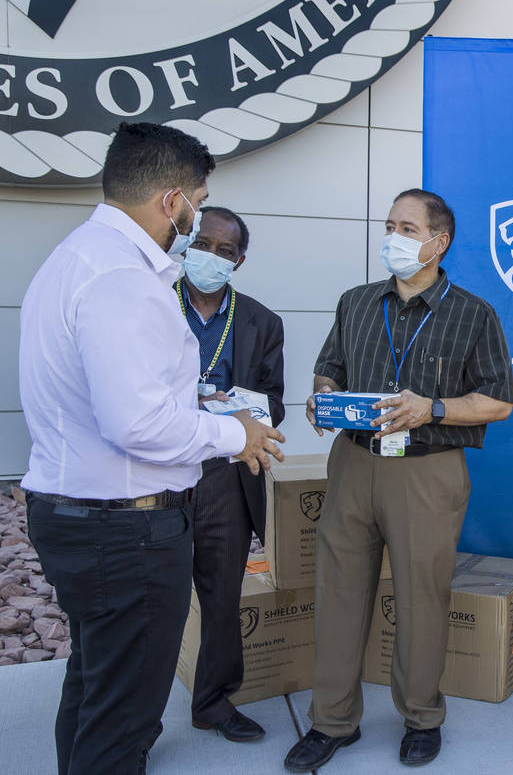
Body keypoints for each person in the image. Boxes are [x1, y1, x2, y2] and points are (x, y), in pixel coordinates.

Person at [19, 122, 284, 775]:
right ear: (173, 201)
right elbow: (136, 422)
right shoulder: (124, 279)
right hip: (125, 531)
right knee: (124, 717)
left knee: (95, 685)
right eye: (197, 201)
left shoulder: (74, 259)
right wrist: (235, 433)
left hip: (82, 515)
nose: (195, 223)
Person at [283, 188, 513, 771]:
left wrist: (432, 409)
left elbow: (499, 402)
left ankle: (421, 716)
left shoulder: (472, 312)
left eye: (407, 228)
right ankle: (332, 721)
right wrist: (323, 397)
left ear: (440, 242)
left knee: (420, 597)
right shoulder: (357, 302)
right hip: (354, 463)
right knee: (337, 593)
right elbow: (329, 367)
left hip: (426, 471)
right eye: (390, 225)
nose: (393, 236)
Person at [179, 206, 286, 742]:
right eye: (203, 244)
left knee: (221, 595)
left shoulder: (261, 322)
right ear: (185, 242)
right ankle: (132, 718)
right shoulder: (150, 304)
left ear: (238, 261)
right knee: (158, 597)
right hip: (156, 473)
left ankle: (214, 702)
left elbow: (275, 405)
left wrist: (236, 410)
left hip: (224, 475)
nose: (212, 257)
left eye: (226, 252)